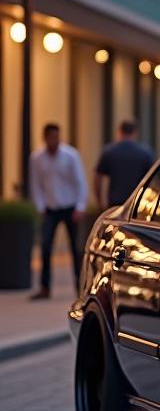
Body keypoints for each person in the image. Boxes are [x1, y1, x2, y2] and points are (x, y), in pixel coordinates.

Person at [28, 123, 88, 300]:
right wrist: (40, 207)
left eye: (57, 136)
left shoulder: (71, 156)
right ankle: (45, 287)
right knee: (45, 246)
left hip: (70, 207)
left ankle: (80, 286)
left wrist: (80, 207)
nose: (54, 140)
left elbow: (80, 182)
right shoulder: (37, 158)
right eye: (51, 137)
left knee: (75, 248)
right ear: (45, 138)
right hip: (50, 208)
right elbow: (36, 184)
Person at [95, 120, 154, 208]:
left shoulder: (109, 152)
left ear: (119, 132)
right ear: (135, 132)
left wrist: (99, 202)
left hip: (115, 203)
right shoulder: (145, 153)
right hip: (138, 202)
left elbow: (98, 178)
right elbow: (154, 178)